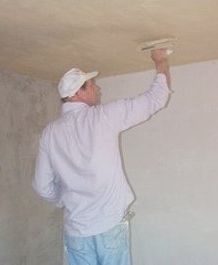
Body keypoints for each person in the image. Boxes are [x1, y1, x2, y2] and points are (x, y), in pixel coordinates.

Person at [33, 49, 171, 265]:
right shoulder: (104, 116)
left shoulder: (50, 133)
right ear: (78, 93)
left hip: (75, 231)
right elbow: (156, 98)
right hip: (108, 226)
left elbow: (42, 186)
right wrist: (160, 61)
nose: (97, 88)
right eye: (92, 84)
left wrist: (64, 199)